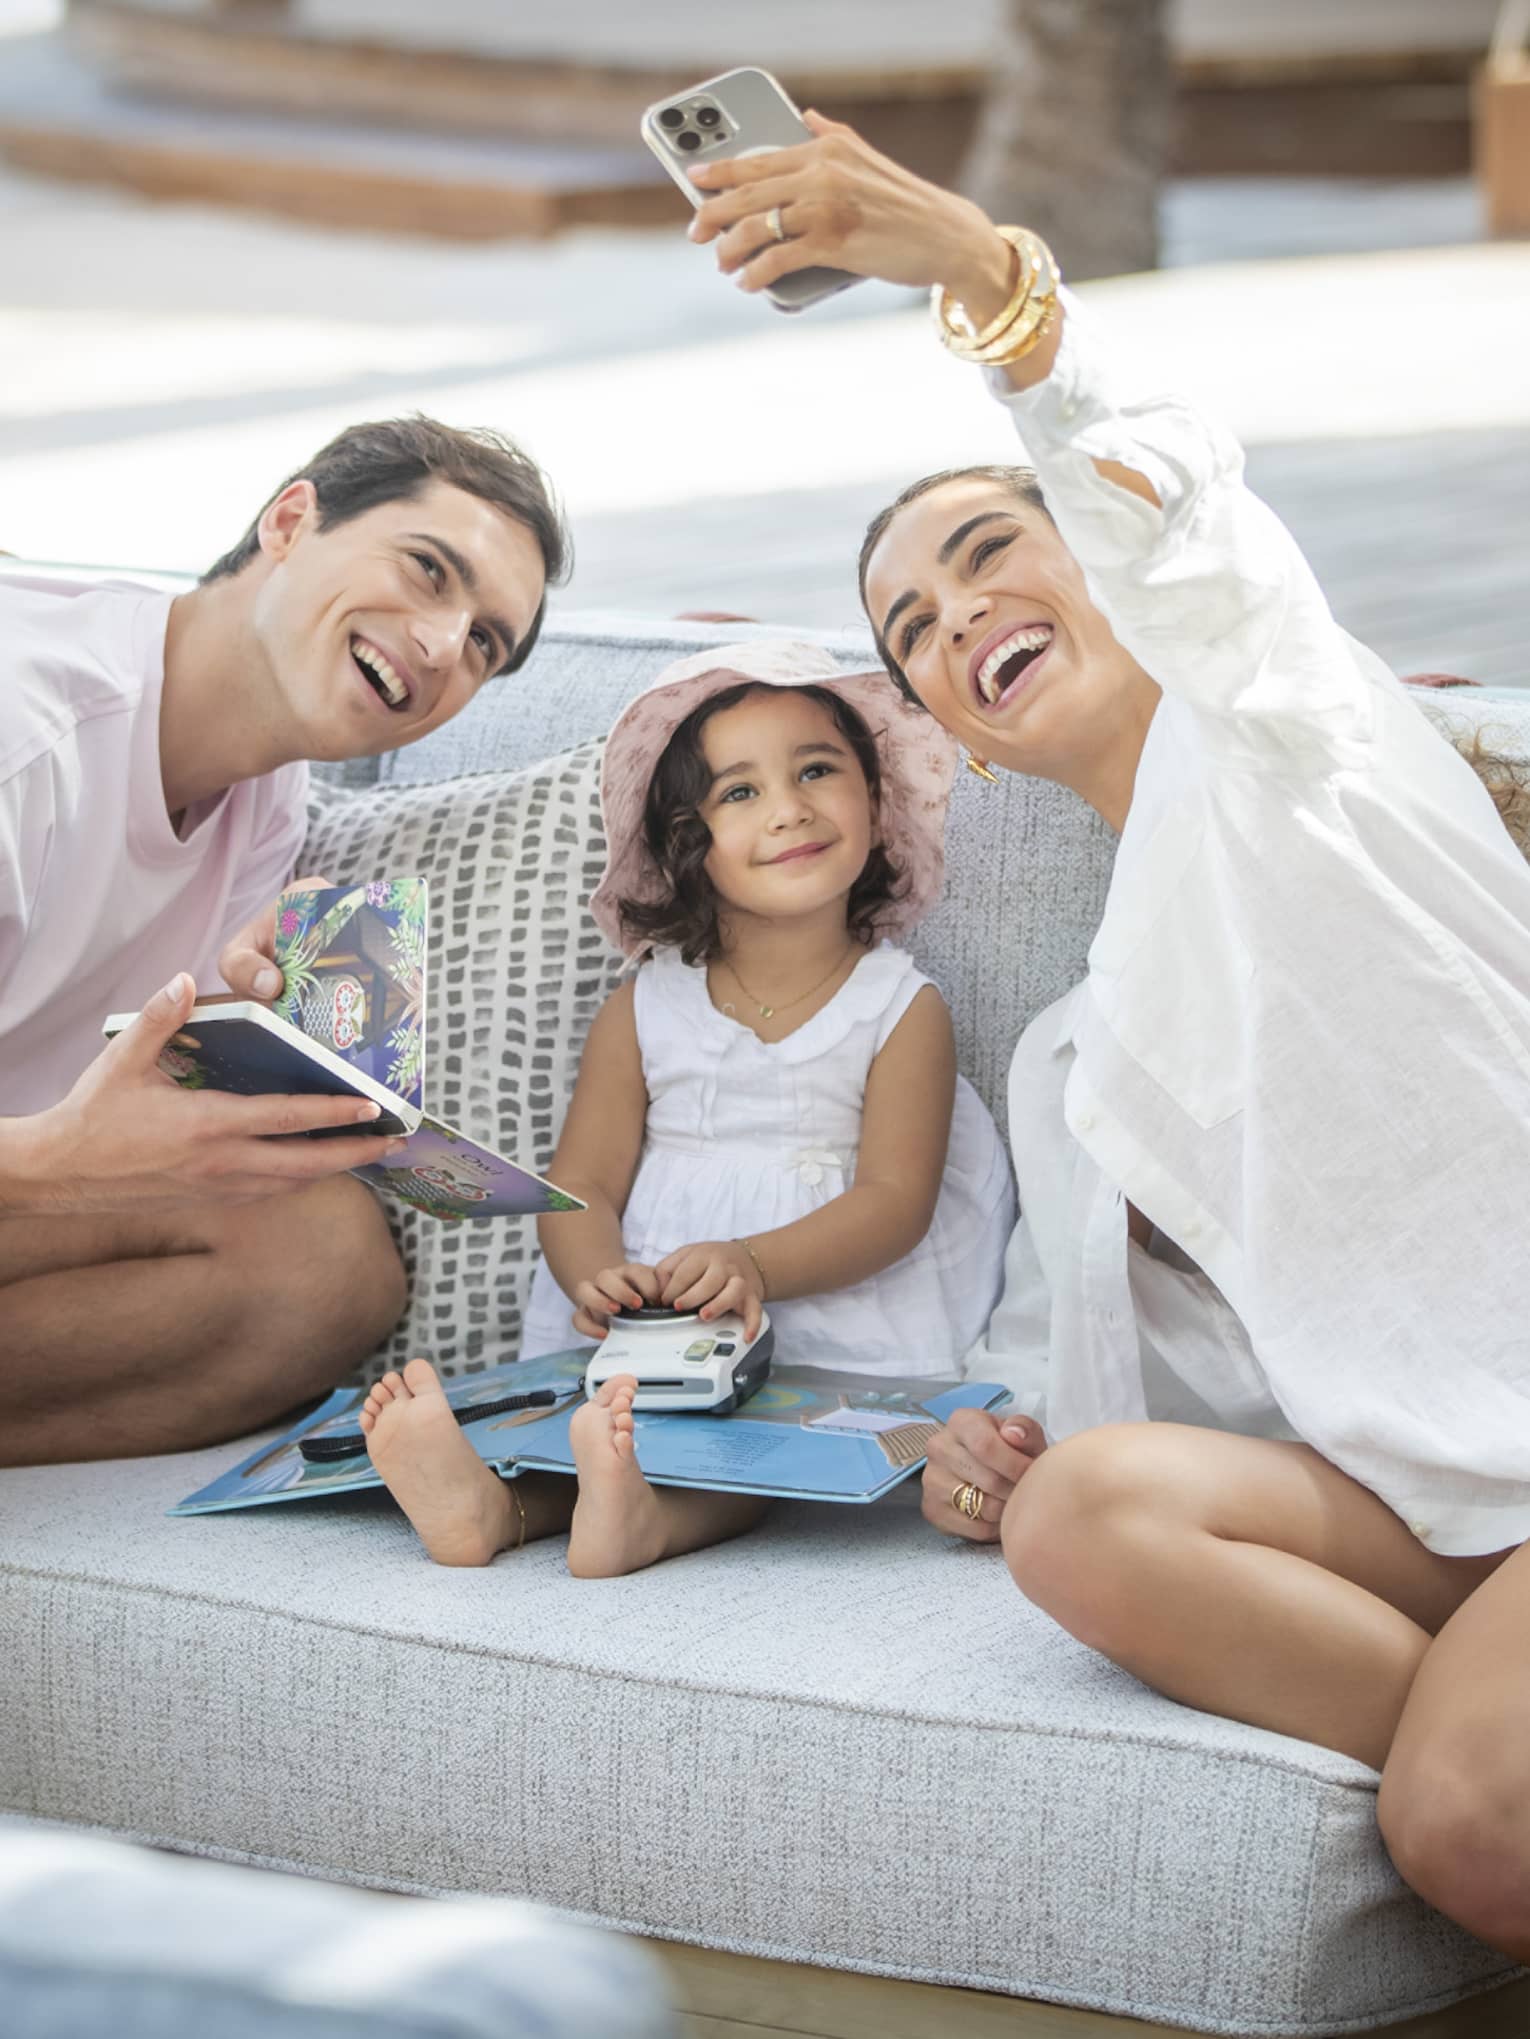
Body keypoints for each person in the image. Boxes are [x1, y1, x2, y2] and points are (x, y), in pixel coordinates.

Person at [681, 118, 1530, 1955]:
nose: (955, 611)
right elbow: (1186, 1382)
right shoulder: (1069, 1057)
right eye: (912, 624)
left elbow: (1200, 532)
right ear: (956, 735)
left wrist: (985, 275)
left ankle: (1484, 1773)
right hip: (1425, 1501)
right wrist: (1008, 1439)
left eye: (991, 552)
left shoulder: (1301, 733)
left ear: (1104, 561)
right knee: (1082, 1516)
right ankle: (1489, 1731)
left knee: (1460, 1815)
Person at [359, 641, 1015, 1578]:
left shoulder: (901, 1006)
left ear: (876, 802)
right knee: (603, 1424)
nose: (790, 808)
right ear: (686, 844)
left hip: (829, 1312)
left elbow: (895, 1200)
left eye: (818, 770)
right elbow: (582, 1180)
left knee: (754, 1452)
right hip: (657, 1312)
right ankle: (491, 1506)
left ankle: (640, 1521)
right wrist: (597, 1276)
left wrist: (752, 1263)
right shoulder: (645, 1005)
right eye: (738, 792)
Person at [0, 417, 568, 1468]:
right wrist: (56, 1160)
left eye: (485, 642)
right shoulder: (26, 736)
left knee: (326, 1263)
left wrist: (240, 1029)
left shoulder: (265, 804)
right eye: (428, 569)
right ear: (292, 519)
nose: (445, 646)